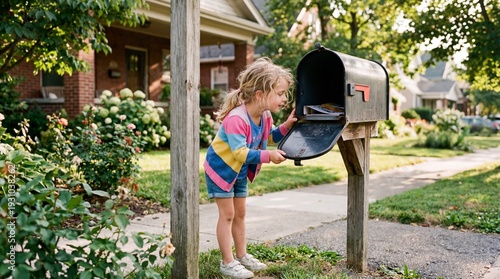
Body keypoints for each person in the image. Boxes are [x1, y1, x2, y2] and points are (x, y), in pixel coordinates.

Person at [203, 57, 297, 279]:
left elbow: (270, 137)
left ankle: (242, 255)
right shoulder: (237, 119)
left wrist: (287, 126)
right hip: (222, 170)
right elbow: (240, 152)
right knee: (227, 215)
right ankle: (227, 262)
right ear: (260, 94)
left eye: (285, 93)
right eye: (281, 93)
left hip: (240, 170)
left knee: (240, 213)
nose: (284, 99)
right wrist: (268, 156)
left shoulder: (264, 116)